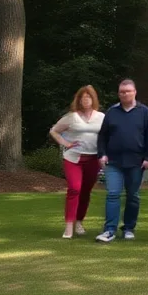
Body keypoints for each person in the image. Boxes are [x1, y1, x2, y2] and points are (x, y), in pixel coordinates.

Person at [96, 79, 148, 243]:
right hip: (113, 161)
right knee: (113, 194)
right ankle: (109, 230)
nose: (125, 94)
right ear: (119, 93)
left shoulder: (144, 112)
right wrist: (102, 154)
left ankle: (129, 228)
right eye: (122, 92)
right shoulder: (112, 112)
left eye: (128, 91)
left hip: (136, 162)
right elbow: (102, 136)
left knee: (133, 196)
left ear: (135, 92)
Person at [49, 85, 104, 239]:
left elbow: (107, 135)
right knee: (74, 189)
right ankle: (69, 227)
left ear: (93, 99)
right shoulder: (72, 117)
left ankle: (79, 221)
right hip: (74, 159)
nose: (85, 100)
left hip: (93, 159)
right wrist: (65, 143)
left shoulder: (101, 117)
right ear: (78, 100)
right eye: (82, 97)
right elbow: (54, 130)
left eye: (88, 97)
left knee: (86, 192)